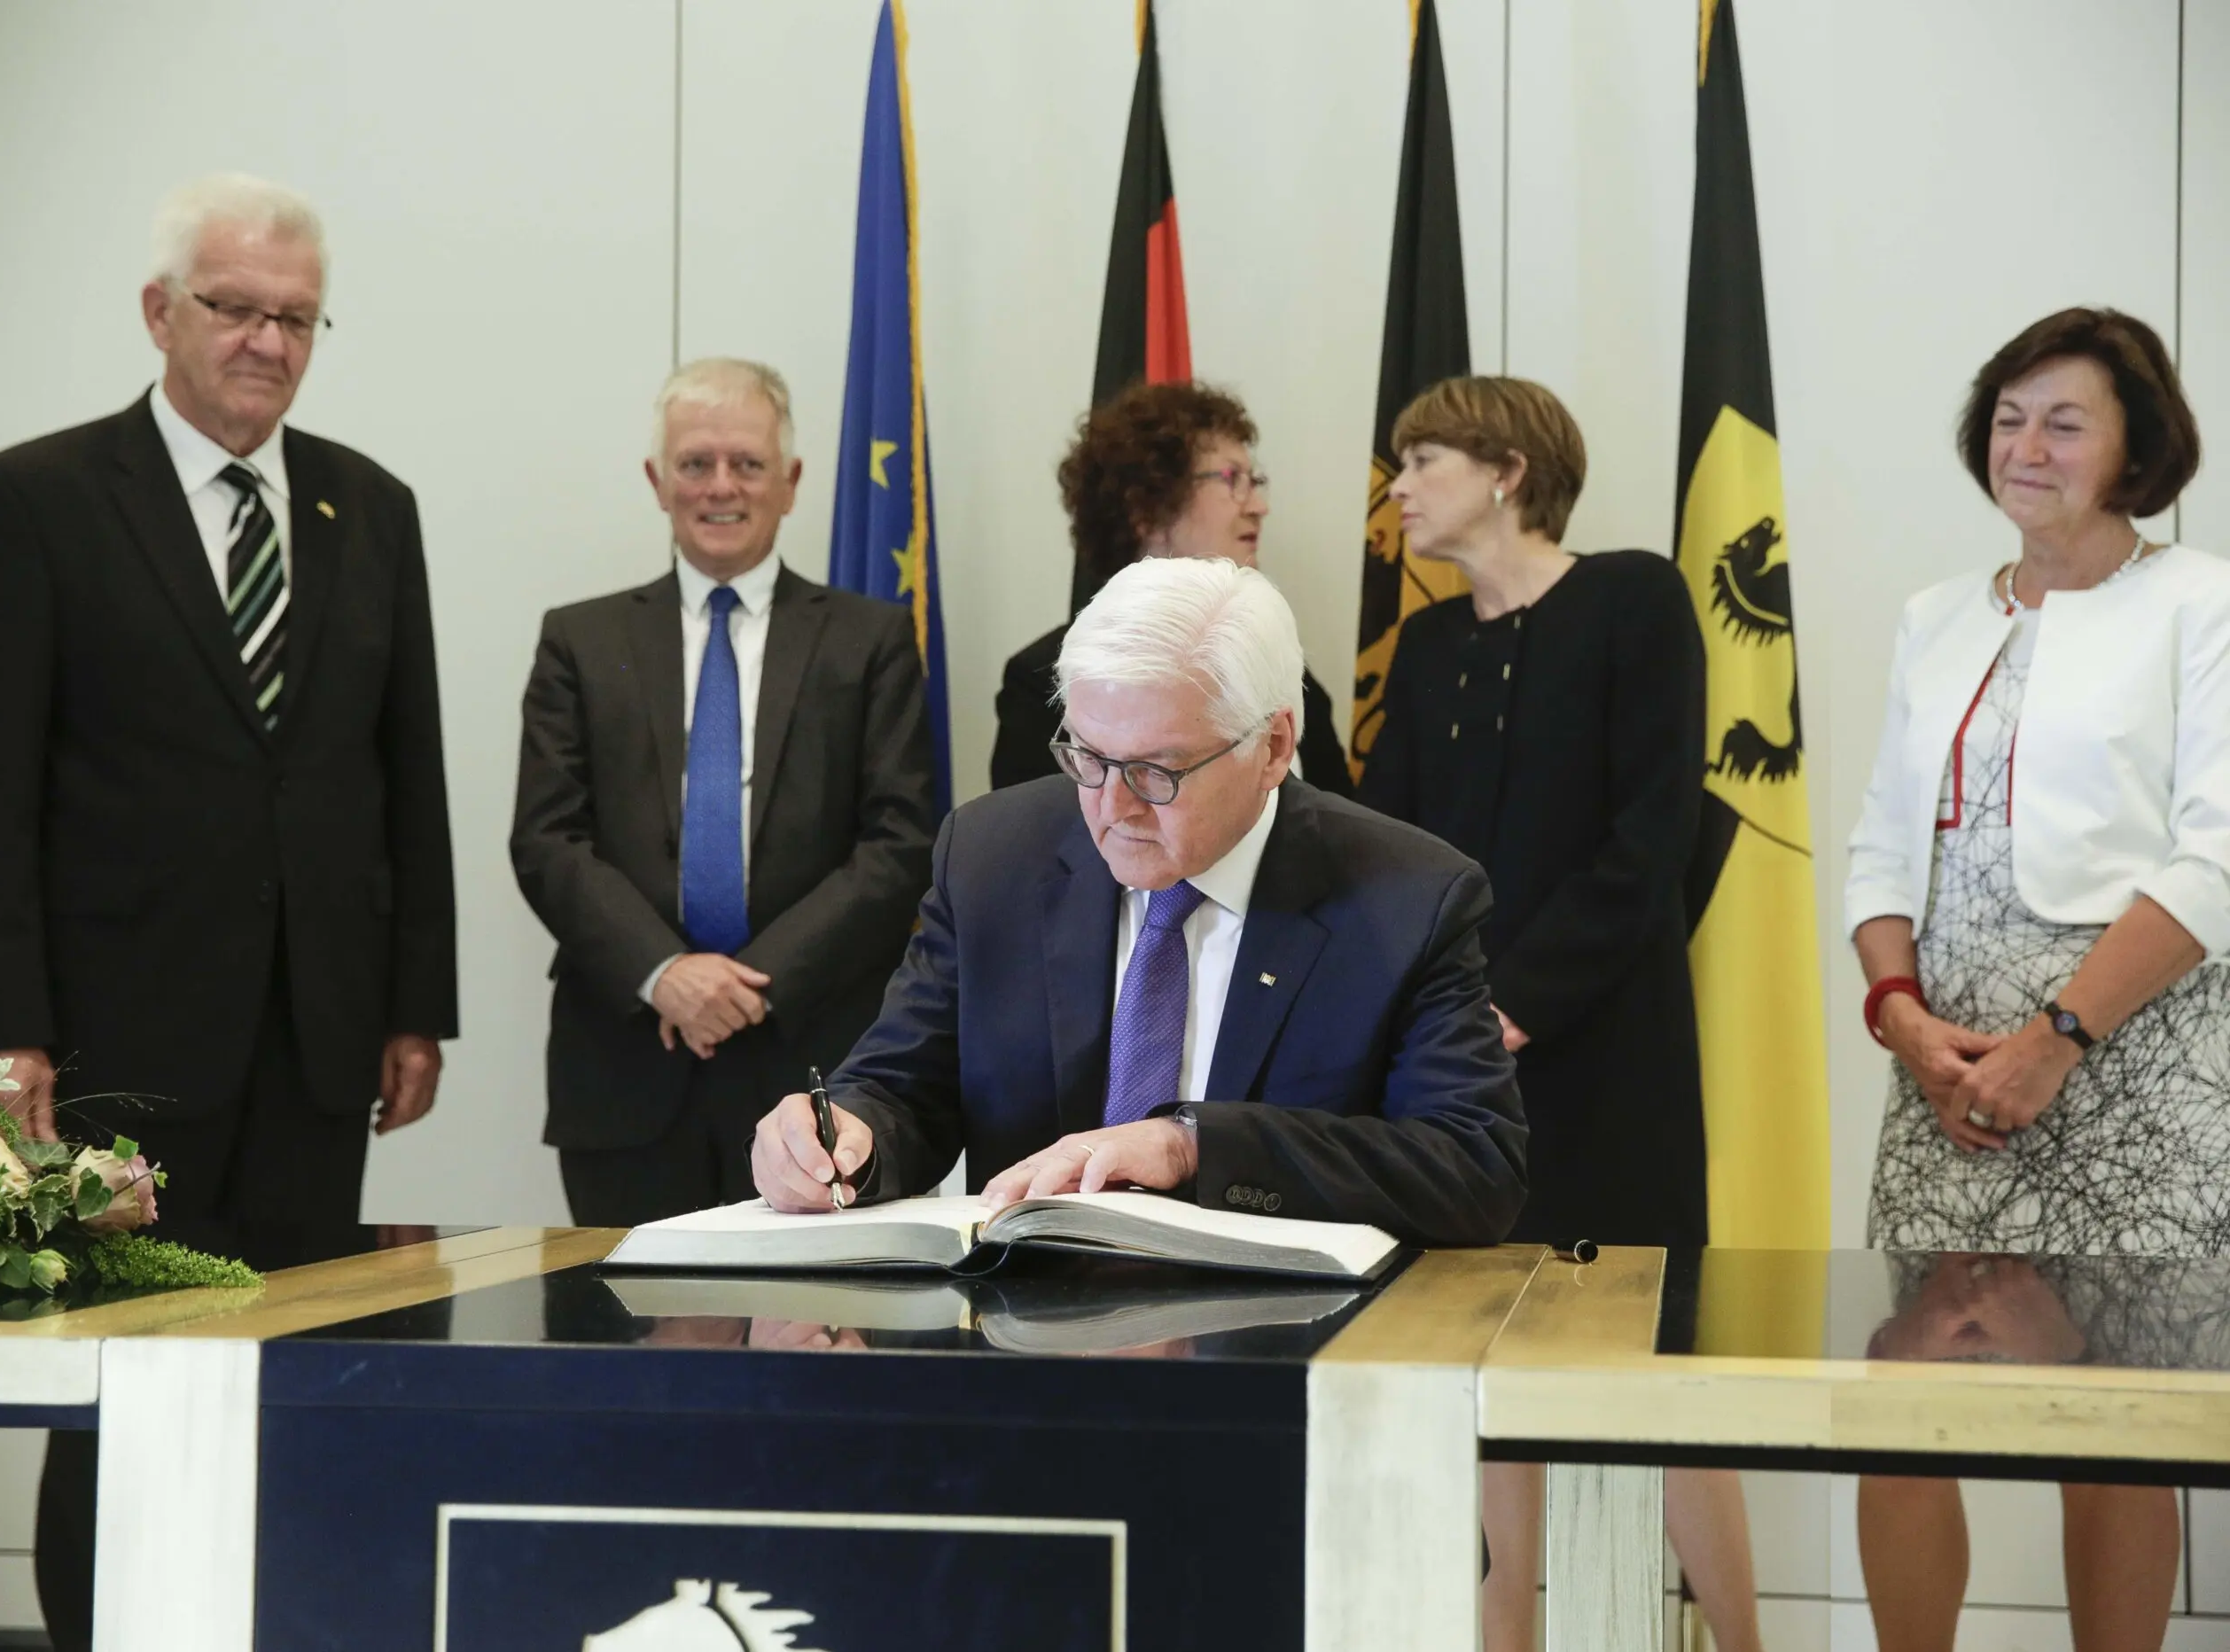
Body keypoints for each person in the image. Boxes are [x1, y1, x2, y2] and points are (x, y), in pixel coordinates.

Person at [0, 173, 458, 1652]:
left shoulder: (369, 505)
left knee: (299, 1369)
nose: (264, 341)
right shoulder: (33, 497)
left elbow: (402, 768)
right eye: (233, 307)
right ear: (160, 312)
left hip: (316, 1045)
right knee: (122, 1383)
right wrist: (1, 1032)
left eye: (293, 317)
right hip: (115, 1047)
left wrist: (414, 996)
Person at [751, 554, 1529, 1247]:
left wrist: (1191, 1145)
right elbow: (901, 1090)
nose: (1112, 807)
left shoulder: (1407, 896)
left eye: (1159, 771)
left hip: (1283, 1359)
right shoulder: (996, 856)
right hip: (1028, 1345)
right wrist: (843, 1139)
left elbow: (1473, 1167)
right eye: (1087, 756)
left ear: (1274, 747)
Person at [1359, 375, 1763, 1652]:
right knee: (1477, 1384)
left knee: (1658, 1380)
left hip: (1610, 1067)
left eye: (1422, 459)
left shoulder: (1635, 596)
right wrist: (1440, 1025)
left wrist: (1513, 1007)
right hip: (1459, 1088)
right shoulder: (1426, 648)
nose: (1399, 487)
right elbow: (1398, 856)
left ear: (1509, 471)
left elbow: (1653, 841)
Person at [1846, 307, 2226, 1652]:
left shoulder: (2201, 601)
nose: (2028, 445)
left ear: (2138, 447)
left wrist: (2057, 1037)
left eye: (2066, 420)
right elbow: (1881, 850)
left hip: (2127, 1065)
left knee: (2113, 1420)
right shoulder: (1937, 615)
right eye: (2009, 417)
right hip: (1943, 1073)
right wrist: (1904, 1023)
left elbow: (2216, 858)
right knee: (1900, 1409)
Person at [512, 358, 936, 1227]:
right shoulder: (580, 641)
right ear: (657, 481)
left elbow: (898, 844)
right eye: (695, 463)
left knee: (801, 1347)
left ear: (790, 482)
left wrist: (745, 987)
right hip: (626, 1066)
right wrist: (664, 973)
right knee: (634, 1344)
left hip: (813, 1057)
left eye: (746, 464)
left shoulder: (870, 641)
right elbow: (547, 840)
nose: (720, 486)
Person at [988, 380, 1353, 796]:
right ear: (1148, 506)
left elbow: (1344, 835)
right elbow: (1045, 851)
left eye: (1255, 481)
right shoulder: (1042, 684)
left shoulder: (1281, 667)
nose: (1258, 506)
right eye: (1232, 479)